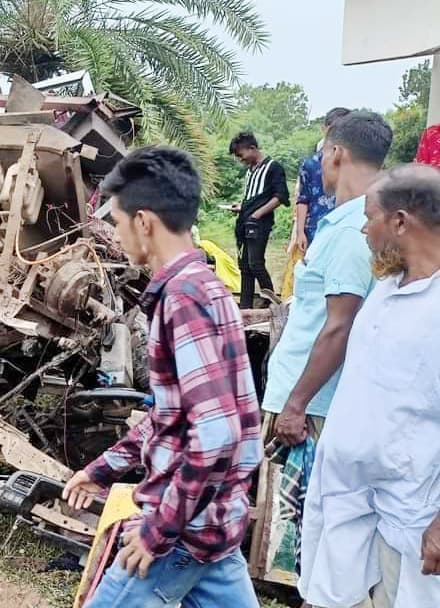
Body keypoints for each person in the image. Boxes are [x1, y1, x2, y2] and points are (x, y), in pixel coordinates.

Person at [61, 147, 262, 608]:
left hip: (180, 535)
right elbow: (174, 416)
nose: (114, 235)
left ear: (144, 221)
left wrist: (156, 531)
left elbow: (214, 433)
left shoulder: (182, 300)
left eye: (116, 221)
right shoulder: (207, 286)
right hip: (213, 523)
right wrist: (102, 469)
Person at [298, 164, 440, 608]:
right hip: (350, 499)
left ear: (400, 222)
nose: (363, 229)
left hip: (410, 518)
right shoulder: (387, 286)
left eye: (370, 216)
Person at [265, 112, 392, 447]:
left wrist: (296, 404)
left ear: (336, 154)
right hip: (308, 401)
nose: (320, 163)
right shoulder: (350, 222)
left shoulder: (353, 229)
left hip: (312, 410)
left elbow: (340, 324)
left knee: (291, 500)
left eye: (322, 154)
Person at [229, 132, 290, 308]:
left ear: (252, 148)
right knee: (244, 267)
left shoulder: (273, 167)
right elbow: (254, 196)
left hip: (259, 223)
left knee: (255, 264)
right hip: (245, 222)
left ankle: (271, 301)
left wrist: (258, 214)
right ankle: (245, 305)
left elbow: (280, 196)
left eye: (241, 155)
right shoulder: (251, 171)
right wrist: (242, 207)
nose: (240, 159)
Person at [293, 108, 351, 254]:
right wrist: (300, 232)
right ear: (324, 129)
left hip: (345, 230)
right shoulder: (310, 164)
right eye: (334, 129)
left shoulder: (354, 164)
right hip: (315, 228)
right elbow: (303, 199)